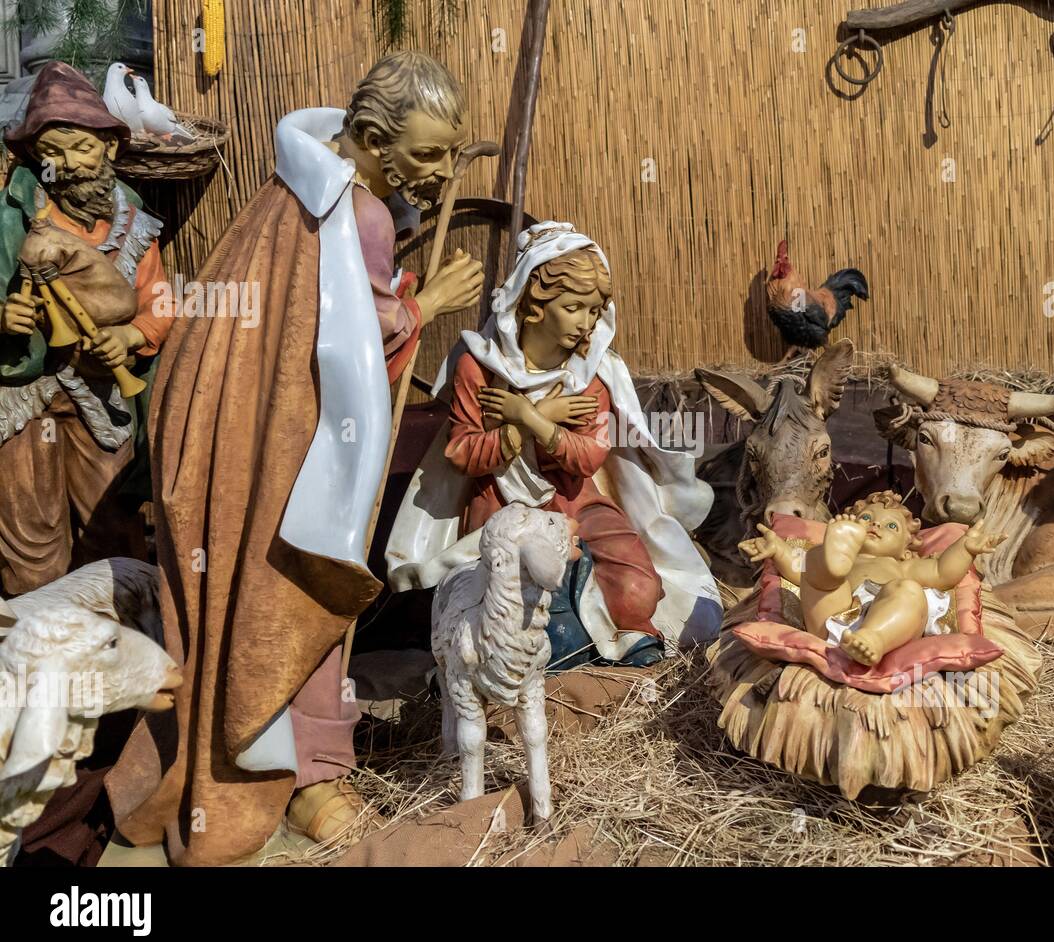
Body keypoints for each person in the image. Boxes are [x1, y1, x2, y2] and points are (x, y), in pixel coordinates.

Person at [106, 52, 484, 866]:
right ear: (375, 140)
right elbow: (354, 338)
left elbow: (315, 306)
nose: (443, 173)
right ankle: (303, 776)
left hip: (224, 433)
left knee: (235, 598)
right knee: (299, 593)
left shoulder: (296, 190)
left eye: (452, 155)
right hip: (283, 452)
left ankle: (234, 753)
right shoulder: (359, 215)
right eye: (426, 156)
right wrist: (429, 304)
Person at [387, 222, 721, 662]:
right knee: (517, 603)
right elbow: (464, 453)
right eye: (574, 307)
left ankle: (625, 643)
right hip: (503, 503)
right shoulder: (479, 366)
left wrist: (529, 417)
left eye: (594, 311)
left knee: (640, 586)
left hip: (575, 498)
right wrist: (528, 426)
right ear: (533, 304)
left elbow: (588, 457)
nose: (586, 324)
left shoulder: (592, 373)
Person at [0, 61, 174, 595]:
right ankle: (34, 650)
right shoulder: (13, 220)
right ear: (33, 155)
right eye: (52, 150)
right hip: (26, 400)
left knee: (111, 526)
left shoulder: (134, 224)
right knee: (32, 538)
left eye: (82, 147)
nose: (68, 164)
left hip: (101, 398)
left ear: (110, 149)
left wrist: (130, 335)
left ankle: (115, 644)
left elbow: (161, 304)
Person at [739, 491, 1003, 664]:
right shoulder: (850, 560)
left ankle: (873, 638)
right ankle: (832, 558)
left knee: (908, 591)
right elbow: (798, 570)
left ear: (906, 548)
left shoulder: (904, 567)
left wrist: (965, 547)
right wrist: (778, 550)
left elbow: (943, 573)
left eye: (891, 526)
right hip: (835, 617)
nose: (876, 525)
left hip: (890, 618)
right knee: (816, 574)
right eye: (866, 518)